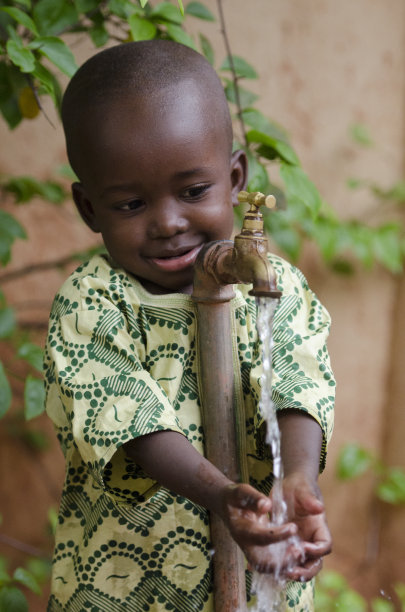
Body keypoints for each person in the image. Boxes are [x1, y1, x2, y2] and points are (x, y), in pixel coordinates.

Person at [44, 39, 335, 612]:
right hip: (124, 590)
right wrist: (223, 496)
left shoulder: (275, 285)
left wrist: (298, 477)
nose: (169, 222)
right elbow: (131, 422)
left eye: (194, 191)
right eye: (130, 204)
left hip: (258, 589)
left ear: (235, 177)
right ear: (88, 209)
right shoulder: (92, 302)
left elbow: (299, 382)